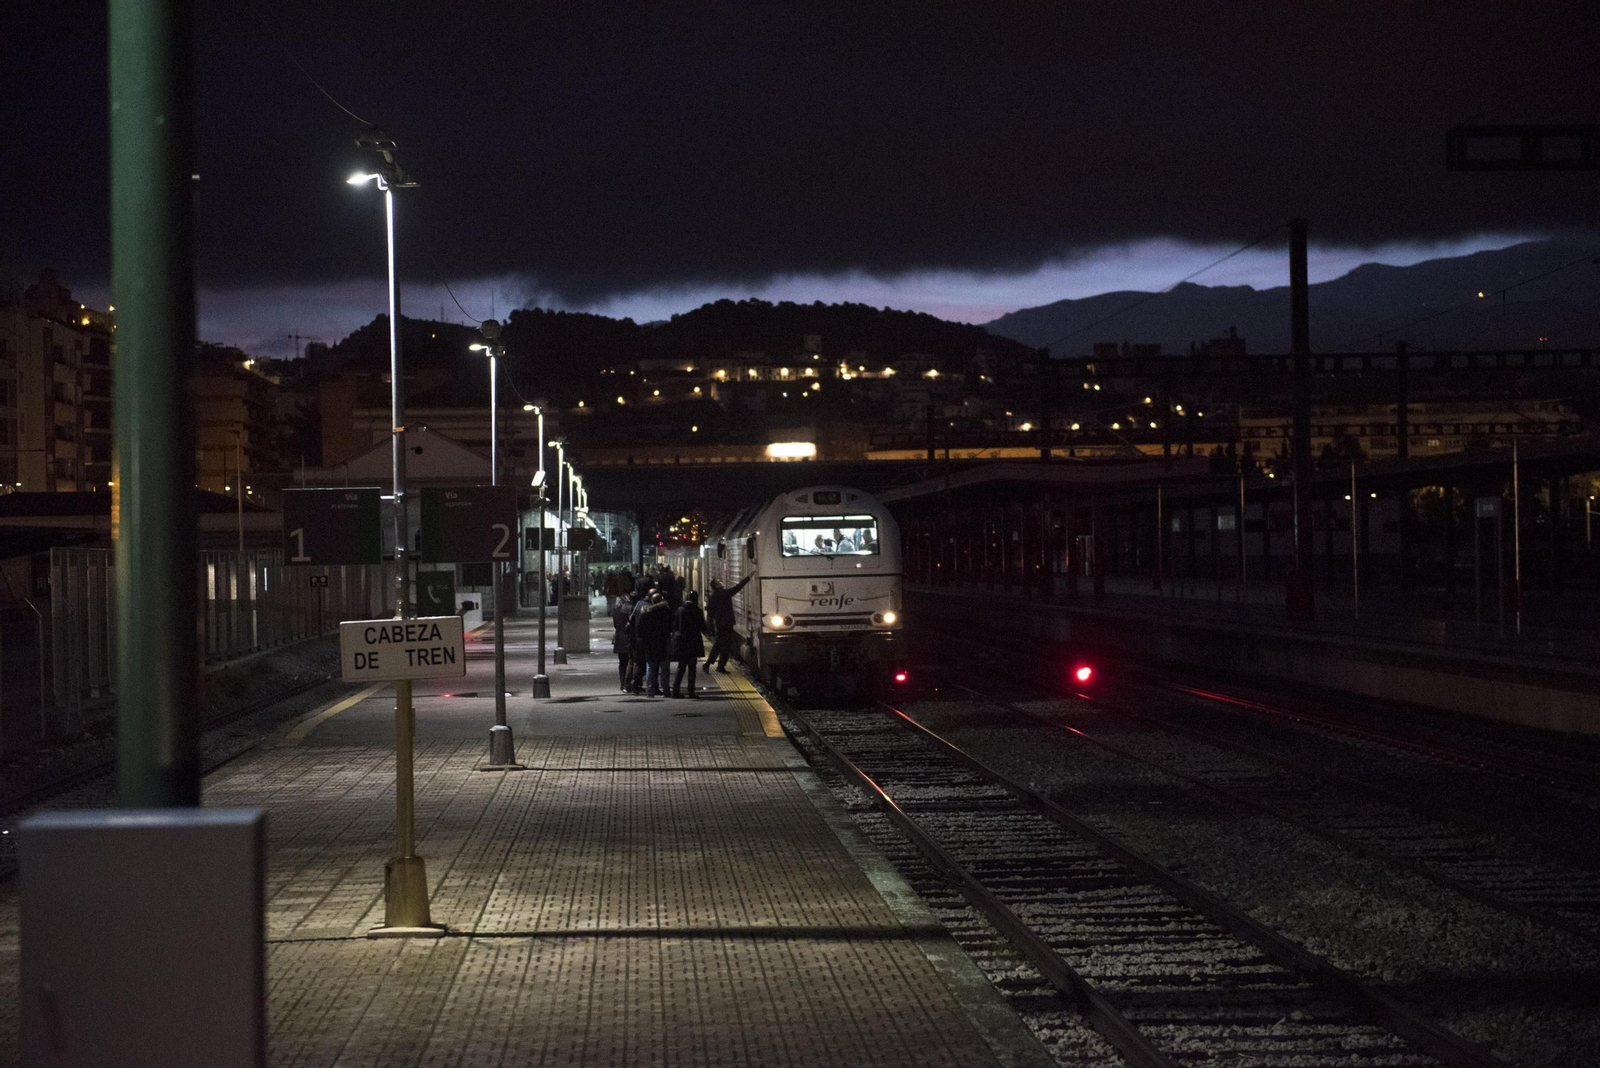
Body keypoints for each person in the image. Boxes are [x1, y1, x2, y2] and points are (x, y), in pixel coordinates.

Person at [703, 574, 751, 672]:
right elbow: (737, 588)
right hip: (726, 624)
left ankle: (718, 665)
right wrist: (748, 577)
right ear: (716, 586)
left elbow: (709, 609)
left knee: (721, 645)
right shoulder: (722, 594)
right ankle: (711, 664)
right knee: (723, 645)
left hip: (721, 623)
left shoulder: (714, 596)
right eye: (718, 582)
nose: (721, 582)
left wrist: (715, 618)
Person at [671, 590, 709, 698]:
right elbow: (703, 628)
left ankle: (675, 690)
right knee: (692, 668)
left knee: (681, 667)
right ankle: (691, 691)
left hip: (682, 642)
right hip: (693, 642)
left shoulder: (679, 610)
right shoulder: (697, 611)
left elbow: (675, 626)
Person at [636, 592, 673, 696]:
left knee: (651, 668)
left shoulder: (646, 613)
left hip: (650, 644)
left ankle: (650, 690)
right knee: (665, 669)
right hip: (663, 643)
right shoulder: (666, 612)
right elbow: (671, 627)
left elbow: (639, 630)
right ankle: (666, 690)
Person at [626, 587, 656, 693]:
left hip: (638, 638)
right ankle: (650, 686)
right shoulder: (653, 606)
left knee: (639, 662)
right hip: (650, 639)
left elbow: (631, 619)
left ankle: (635, 682)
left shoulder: (638, 604)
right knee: (651, 662)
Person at [611, 595, 634, 691]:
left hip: (619, 638)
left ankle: (622, 684)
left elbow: (615, 625)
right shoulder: (630, 609)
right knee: (631, 661)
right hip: (628, 638)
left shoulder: (615, 611)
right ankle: (627, 684)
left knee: (622, 663)